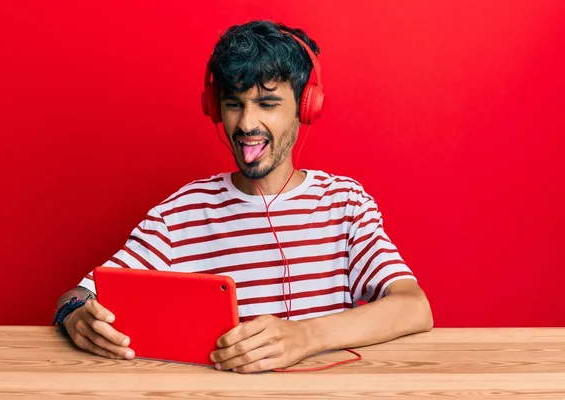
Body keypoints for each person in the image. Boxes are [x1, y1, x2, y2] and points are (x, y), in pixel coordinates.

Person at [53, 20, 433, 374]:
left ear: (306, 108)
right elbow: (79, 294)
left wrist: (305, 335)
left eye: (268, 104)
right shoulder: (178, 215)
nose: (247, 124)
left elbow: (414, 307)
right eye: (234, 104)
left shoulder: (345, 203)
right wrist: (75, 312)